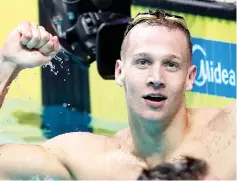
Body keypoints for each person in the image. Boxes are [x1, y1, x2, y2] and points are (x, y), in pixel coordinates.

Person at [0, 9, 235, 180]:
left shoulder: (229, 136)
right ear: (119, 72)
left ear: (190, 77)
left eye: (171, 65)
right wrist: (6, 65)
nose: (156, 77)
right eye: (143, 62)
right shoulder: (88, 160)